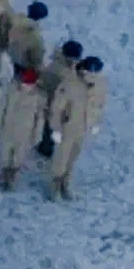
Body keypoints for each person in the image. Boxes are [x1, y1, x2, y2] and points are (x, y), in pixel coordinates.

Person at [49, 56, 107, 198]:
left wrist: (95, 123)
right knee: (61, 158)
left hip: (83, 128)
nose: (93, 76)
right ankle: (54, 187)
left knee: (73, 157)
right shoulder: (70, 84)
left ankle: (66, 183)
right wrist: (56, 128)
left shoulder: (99, 84)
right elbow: (57, 108)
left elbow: (99, 105)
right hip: (68, 127)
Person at [0, 67, 47, 190]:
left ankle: (12, 175)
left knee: (19, 155)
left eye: (28, 83)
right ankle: (3, 172)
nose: (25, 85)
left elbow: (40, 118)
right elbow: (2, 109)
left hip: (25, 130)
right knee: (5, 153)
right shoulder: (12, 91)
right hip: (9, 127)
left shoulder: (39, 97)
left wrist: (37, 135)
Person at [8, 0, 47, 72]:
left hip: (8, 58)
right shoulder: (35, 37)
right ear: (40, 18)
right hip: (22, 67)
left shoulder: (13, 20)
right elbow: (37, 61)